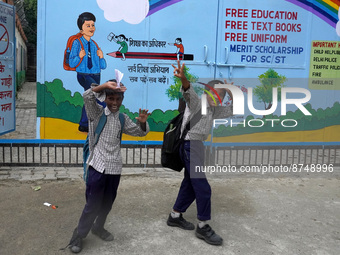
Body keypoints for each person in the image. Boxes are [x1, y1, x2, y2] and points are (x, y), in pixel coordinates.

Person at [68, 80, 150, 253]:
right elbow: (87, 96)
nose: (114, 103)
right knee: (92, 204)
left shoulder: (122, 118)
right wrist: (104, 85)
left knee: (107, 203)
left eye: (118, 99)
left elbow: (140, 132)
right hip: (97, 166)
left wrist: (142, 122)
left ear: (122, 99)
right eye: (110, 98)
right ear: (104, 98)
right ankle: (79, 234)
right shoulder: (96, 113)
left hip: (114, 168)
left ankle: (98, 227)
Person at [166, 60, 233, 246]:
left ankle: (175, 215)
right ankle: (203, 226)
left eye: (221, 95)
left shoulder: (213, 110)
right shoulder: (197, 102)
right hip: (190, 146)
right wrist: (184, 78)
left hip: (197, 147)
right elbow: (187, 90)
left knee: (190, 183)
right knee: (202, 187)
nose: (218, 98)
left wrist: (231, 93)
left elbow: (233, 109)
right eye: (216, 93)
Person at [69, 12, 107, 132]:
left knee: (90, 97)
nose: (91, 28)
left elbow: (103, 66)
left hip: (96, 75)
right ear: (81, 29)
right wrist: (79, 57)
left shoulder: (94, 45)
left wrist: (101, 57)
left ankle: (84, 124)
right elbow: (72, 63)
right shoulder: (77, 43)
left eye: (93, 25)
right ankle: (107, 120)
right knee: (99, 96)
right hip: (84, 75)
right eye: (88, 25)